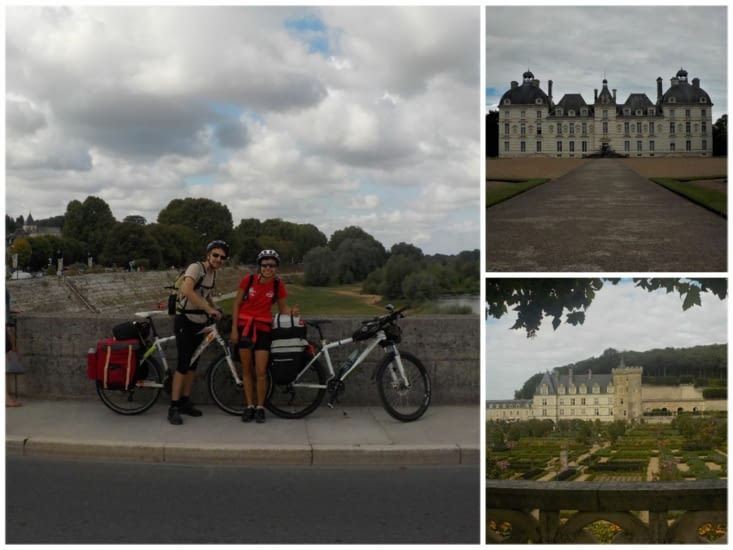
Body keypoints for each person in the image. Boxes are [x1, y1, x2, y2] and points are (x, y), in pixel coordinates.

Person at [231, 249, 299, 423]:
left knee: (261, 372)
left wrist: (292, 312)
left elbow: (282, 308)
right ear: (259, 266)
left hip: (263, 329)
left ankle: (260, 407)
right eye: (265, 264)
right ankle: (249, 406)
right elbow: (237, 304)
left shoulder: (278, 285)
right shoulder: (249, 280)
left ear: (276, 268)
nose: (268, 268)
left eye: (272, 265)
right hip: (244, 327)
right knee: (246, 370)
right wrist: (234, 330)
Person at [168, 240, 227, 425]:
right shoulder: (196, 268)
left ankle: (185, 401)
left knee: (193, 364)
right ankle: (174, 406)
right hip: (186, 320)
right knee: (184, 363)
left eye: (222, 257)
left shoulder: (212, 274)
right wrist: (209, 310)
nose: (218, 259)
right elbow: (187, 290)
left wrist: (216, 308)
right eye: (215, 255)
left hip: (200, 322)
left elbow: (205, 294)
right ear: (208, 255)